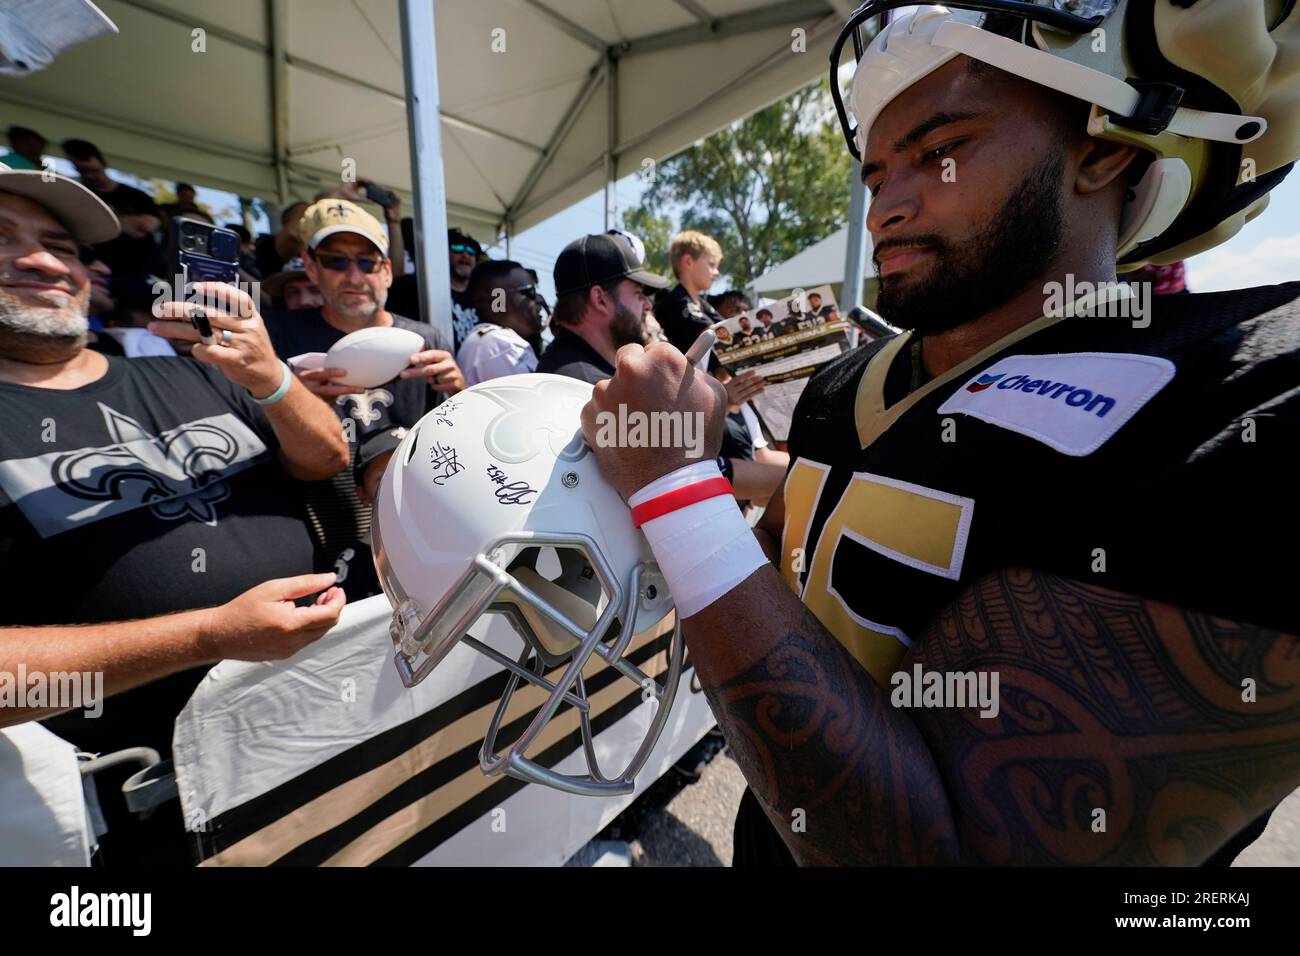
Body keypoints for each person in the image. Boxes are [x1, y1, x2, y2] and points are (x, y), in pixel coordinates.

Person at [578, 2, 1300, 867]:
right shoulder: (846, 384)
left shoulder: (1248, 385)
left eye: (940, 150)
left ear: (1107, 147)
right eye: (878, 174)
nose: (886, 205)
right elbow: (785, 589)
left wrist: (676, 487)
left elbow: (950, 849)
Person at [0, 163, 349, 865]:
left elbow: (325, 458)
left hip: (321, 745)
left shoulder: (188, 369)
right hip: (152, 817)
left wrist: (271, 378)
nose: (42, 260)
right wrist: (209, 635)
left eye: (62, 246)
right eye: (4, 239)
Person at [262, 199, 465, 595]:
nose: (353, 276)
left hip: (411, 521)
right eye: (336, 261)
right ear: (310, 266)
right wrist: (289, 397)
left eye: (367, 262)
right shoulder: (279, 334)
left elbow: (452, 442)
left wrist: (459, 392)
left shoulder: (427, 339)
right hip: (316, 516)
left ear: (387, 271)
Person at [536, 233, 669, 385]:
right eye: (638, 293)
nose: (648, 305)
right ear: (600, 299)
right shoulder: (586, 388)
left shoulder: (569, 366)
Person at [61, 138, 163, 278]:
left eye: (93, 170)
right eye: (82, 170)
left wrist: (96, 221)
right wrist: (128, 224)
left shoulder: (137, 196)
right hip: (100, 272)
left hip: (143, 270)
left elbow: (146, 225)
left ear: (104, 164)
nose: (90, 176)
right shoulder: (78, 195)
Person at [387, 226, 482, 350]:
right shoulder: (418, 289)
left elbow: (501, 309)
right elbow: (394, 280)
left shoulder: (481, 294)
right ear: (443, 253)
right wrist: (393, 222)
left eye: (471, 251)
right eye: (457, 248)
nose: (465, 255)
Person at [457, 258, 543, 385]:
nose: (539, 299)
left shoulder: (487, 340)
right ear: (498, 301)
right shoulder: (500, 345)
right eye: (530, 292)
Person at [654, 230, 723, 354]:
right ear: (688, 262)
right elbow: (720, 336)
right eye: (712, 265)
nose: (717, 272)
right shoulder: (675, 301)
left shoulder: (702, 303)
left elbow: (727, 326)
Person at [254, 200, 308, 279]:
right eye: (301, 217)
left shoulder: (309, 262)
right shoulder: (252, 255)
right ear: (286, 220)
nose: (303, 224)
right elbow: (251, 289)